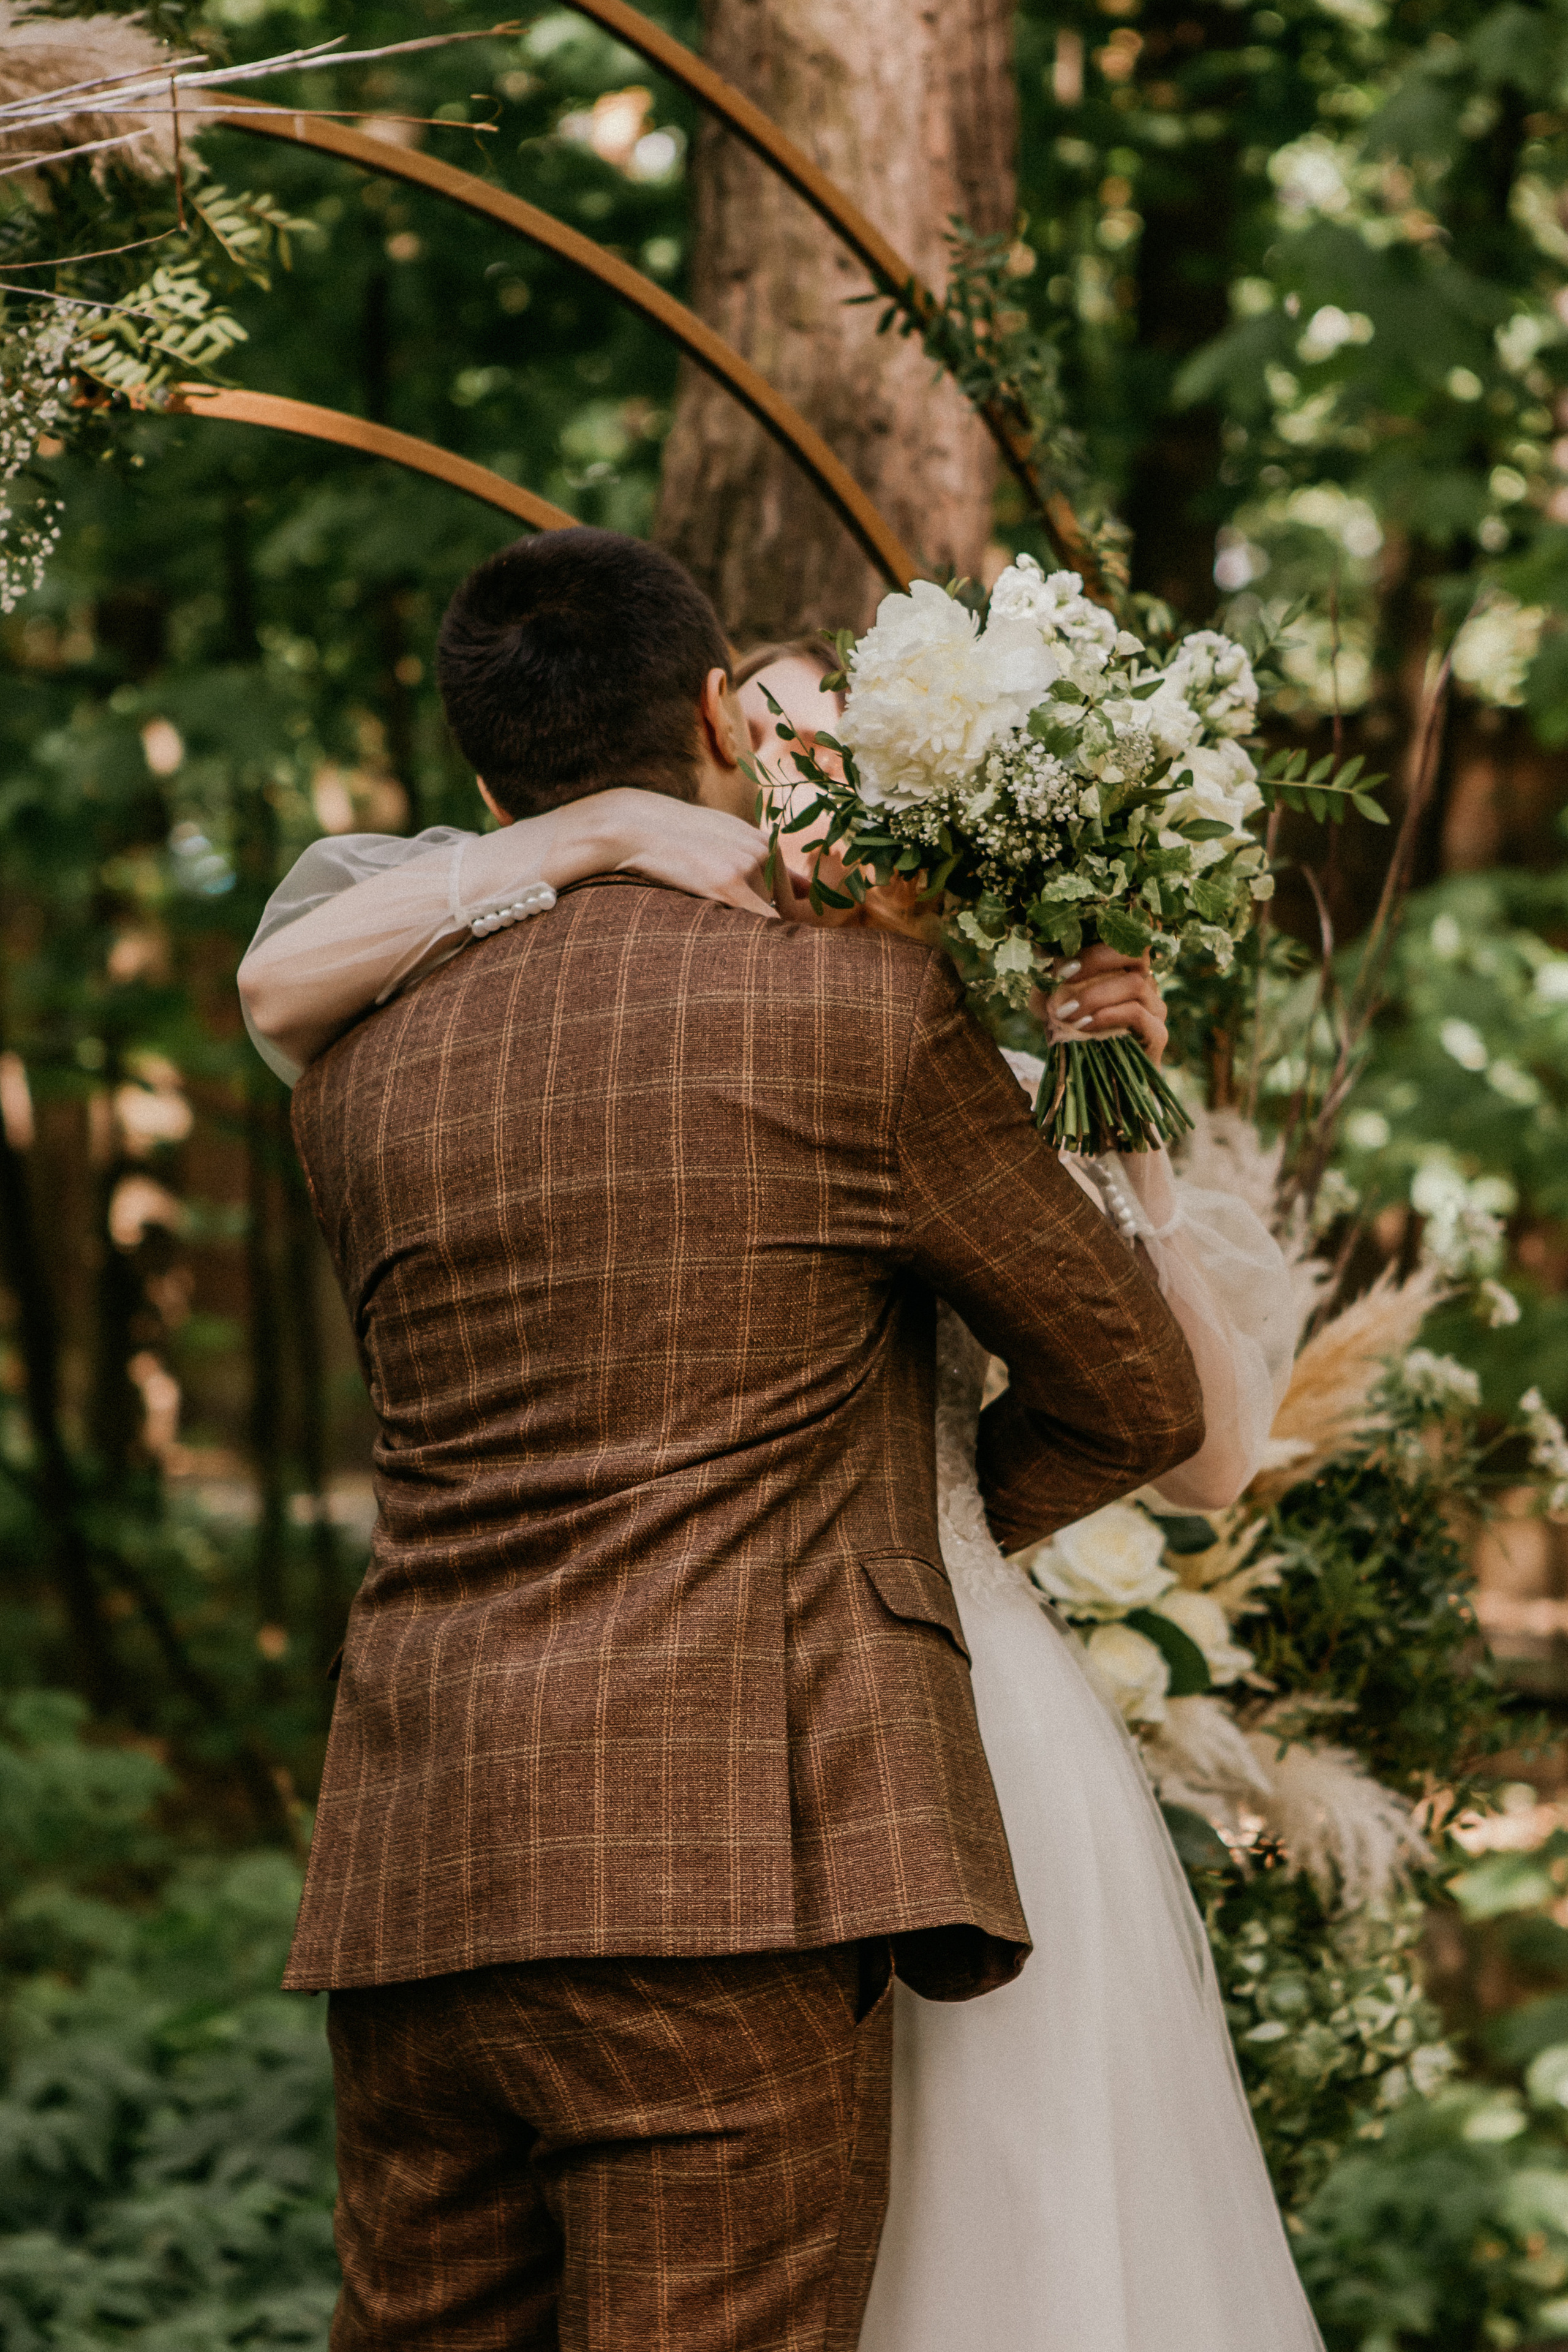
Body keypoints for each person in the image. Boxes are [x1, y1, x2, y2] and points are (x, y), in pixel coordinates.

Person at [268, 526, 1207, 2352]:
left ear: (484, 782)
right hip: (719, 1883)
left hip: (414, 1869)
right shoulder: (848, 1014)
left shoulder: (360, 1066)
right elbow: (1141, 1395)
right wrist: (894, 1551)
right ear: (716, 710)